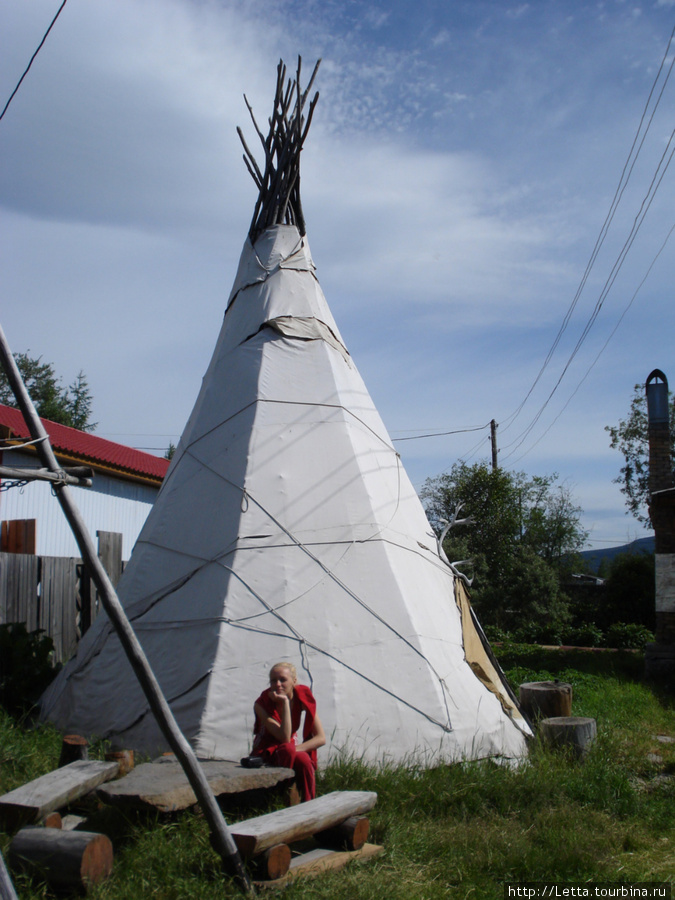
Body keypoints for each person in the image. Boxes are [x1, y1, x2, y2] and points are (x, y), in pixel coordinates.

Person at [250, 662, 326, 802]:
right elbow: (284, 737)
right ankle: (279, 794)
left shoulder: (302, 697)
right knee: (289, 748)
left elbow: (321, 738)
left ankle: (310, 803)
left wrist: (295, 750)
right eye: (274, 680)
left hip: (288, 748)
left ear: (294, 681)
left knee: (303, 758)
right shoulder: (261, 704)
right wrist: (285, 703)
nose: (278, 684)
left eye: (283, 680)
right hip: (266, 751)